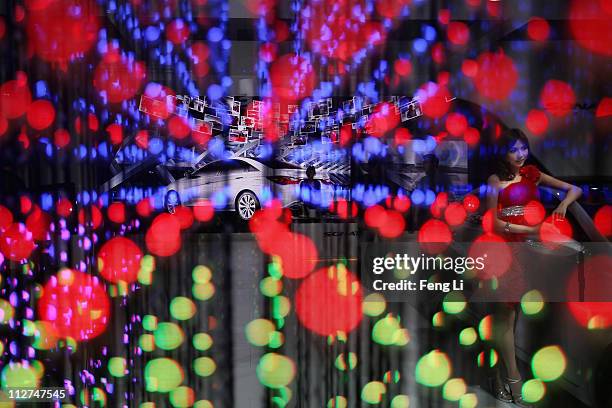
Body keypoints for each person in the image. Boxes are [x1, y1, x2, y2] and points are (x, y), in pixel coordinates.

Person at [485, 128, 582, 406]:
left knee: (511, 320)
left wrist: (564, 204)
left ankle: (499, 377)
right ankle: (513, 378)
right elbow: (492, 222)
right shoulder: (494, 180)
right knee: (505, 317)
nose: (520, 154)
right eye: (513, 149)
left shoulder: (532, 174)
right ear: (502, 152)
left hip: (528, 253)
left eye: (523, 148)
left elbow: (574, 189)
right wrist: (532, 228)